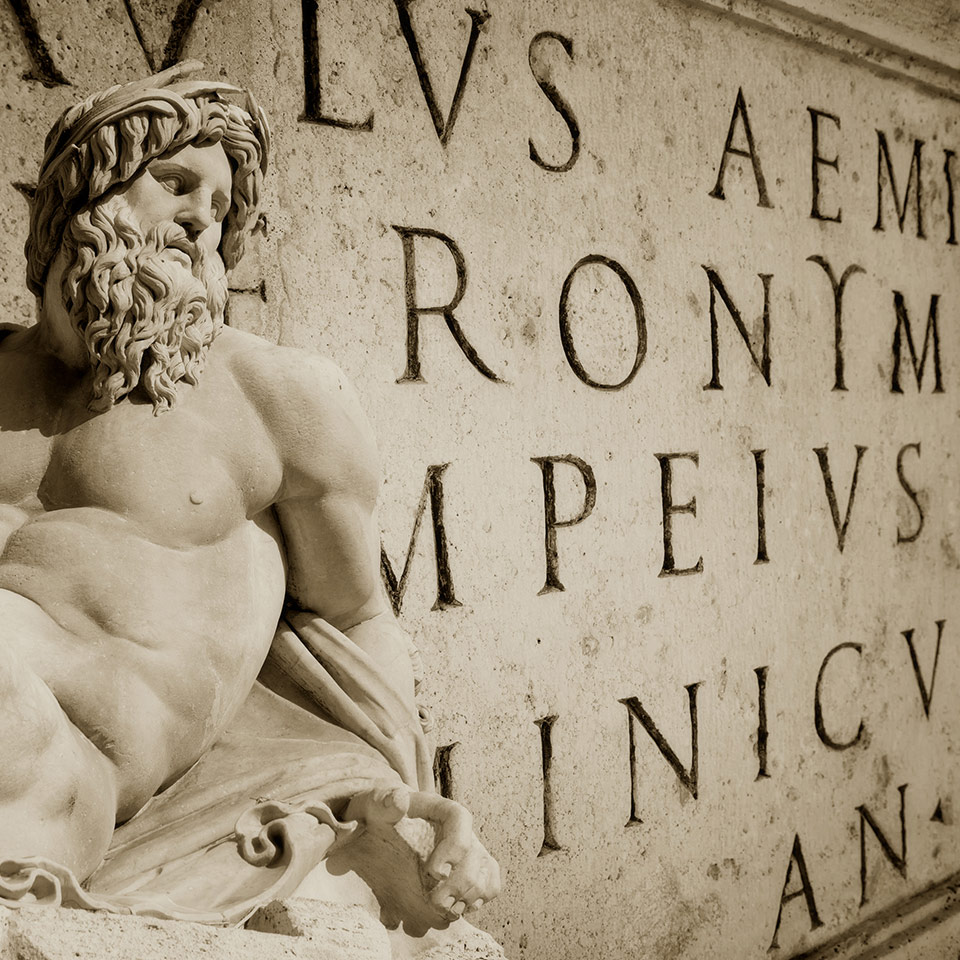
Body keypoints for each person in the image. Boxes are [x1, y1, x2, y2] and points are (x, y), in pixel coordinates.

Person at [0, 61, 499, 933]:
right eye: (176, 182)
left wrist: (400, 798)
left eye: (222, 206)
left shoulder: (276, 396)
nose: (203, 217)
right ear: (85, 193)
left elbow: (353, 620)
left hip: (68, 769)